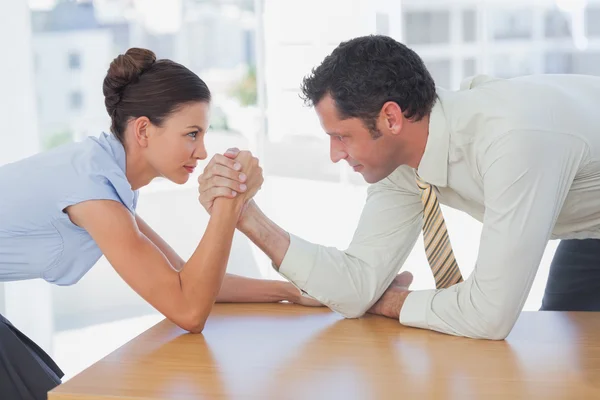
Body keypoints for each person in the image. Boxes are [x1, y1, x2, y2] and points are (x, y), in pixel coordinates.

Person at [198, 35, 600, 341]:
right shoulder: (402, 161)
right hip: (587, 226)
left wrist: (384, 300)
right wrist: (245, 215)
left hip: (570, 190)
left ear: (390, 117)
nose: (336, 155)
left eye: (342, 137)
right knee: (561, 347)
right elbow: (357, 285)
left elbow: (489, 315)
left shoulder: (512, 141)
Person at [0, 47, 318, 400]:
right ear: (143, 131)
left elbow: (183, 276)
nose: (201, 152)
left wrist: (289, 292)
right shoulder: (90, 187)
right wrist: (229, 204)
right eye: (192, 134)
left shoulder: (104, 178)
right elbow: (189, 311)